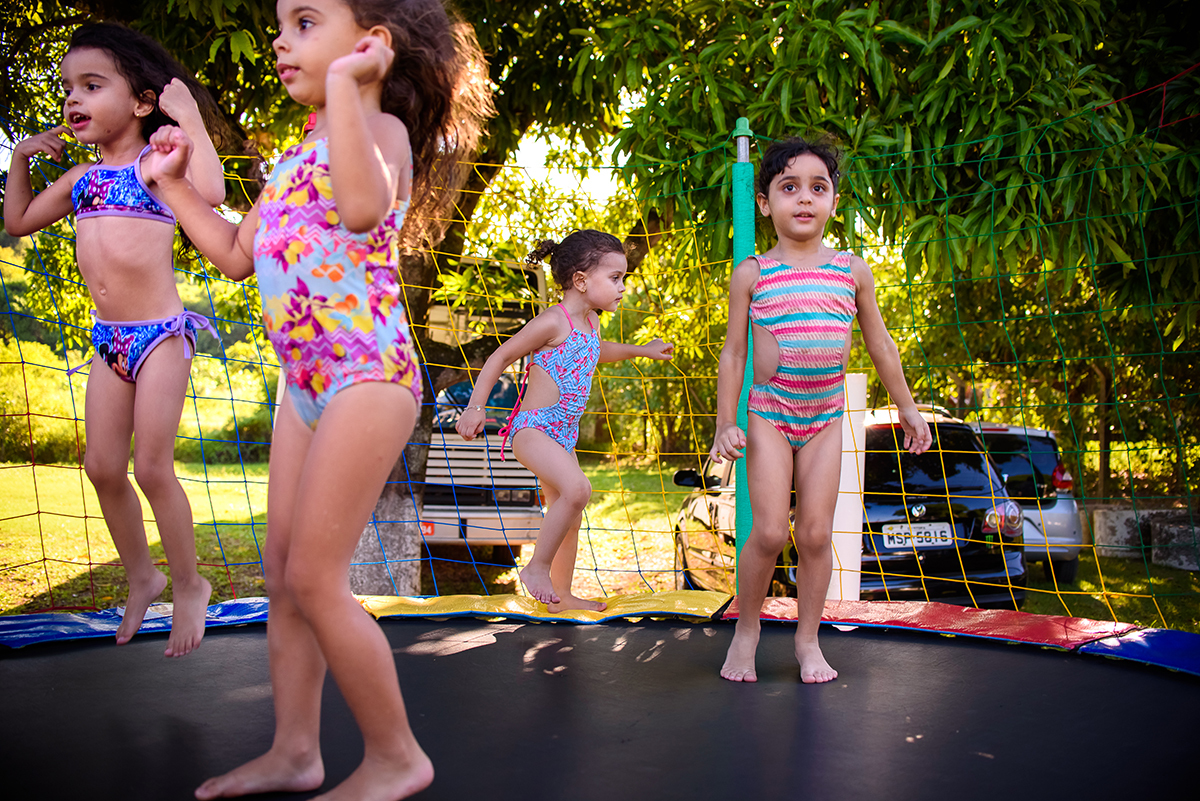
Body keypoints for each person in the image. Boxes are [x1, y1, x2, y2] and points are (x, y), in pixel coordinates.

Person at [147, 0, 487, 797]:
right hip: (304, 381)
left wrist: (343, 85)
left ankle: (397, 754)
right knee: (280, 571)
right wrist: (170, 187)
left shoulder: (380, 133)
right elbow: (235, 252)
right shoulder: (302, 152)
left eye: (305, 21)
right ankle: (296, 749)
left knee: (315, 575)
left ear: (370, 46)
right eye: (280, 25)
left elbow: (367, 209)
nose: (279, 40)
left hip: (368, 376)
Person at [3, 22, 231, 657]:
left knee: (152, 466)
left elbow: (210, 194)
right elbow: (17, 219)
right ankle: (144, 576)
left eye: (92, 85)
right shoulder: (80, 180)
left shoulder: (157, 165)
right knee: (101, 467)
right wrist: (20, 157)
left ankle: (189, 584)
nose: (73, 98)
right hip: (109, 341)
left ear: (138, 101)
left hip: (160, 336)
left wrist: (188, 119)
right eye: (68, 87)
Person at [710, 137, 933, 684]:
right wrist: (725, 423)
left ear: (834, 201)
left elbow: (880, 343)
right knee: (767, 533)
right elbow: (735, 350)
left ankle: (808, 641)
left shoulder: (852, 271)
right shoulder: (754, 273)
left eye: (818, 187)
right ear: (765, 203)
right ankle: (747, 630)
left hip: (824, 417)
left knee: (814, 534)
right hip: (768, 414)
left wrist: (906, 406)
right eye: (789, 188)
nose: (804, 199)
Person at [456, 230, 674, 611]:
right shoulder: (552, 321)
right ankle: (536, 568)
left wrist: (643, 350)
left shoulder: (590, 323)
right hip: (534, 428)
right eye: (616, 278)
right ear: (581, 280)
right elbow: (500, 357)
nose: (623, 287)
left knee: (570, 514)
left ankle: (561, 596)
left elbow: (597, 351)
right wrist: (476, 407)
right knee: (578, 490)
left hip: (562, 436)